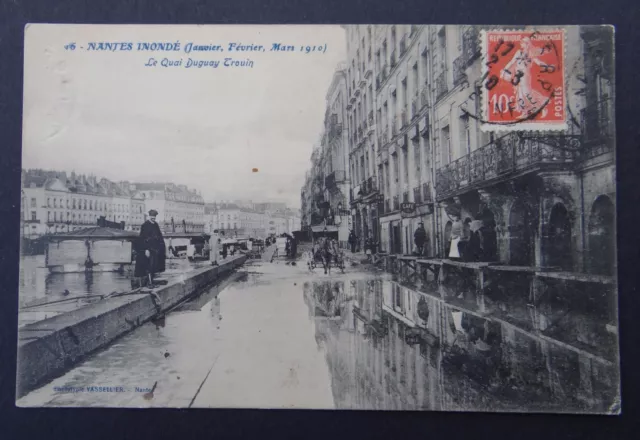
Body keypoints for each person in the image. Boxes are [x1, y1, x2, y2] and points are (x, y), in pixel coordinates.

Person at [134, 209, 166, 288]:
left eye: (154, 217)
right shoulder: (145, 225)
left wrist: (161, 247)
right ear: (149, 216)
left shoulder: (156, 225)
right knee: (149, 266)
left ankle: (151, 282)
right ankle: (149, 283)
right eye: (152, 216)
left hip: (155, 250)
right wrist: (146, 249)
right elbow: (142, 238)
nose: (153, 218)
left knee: (154, 266)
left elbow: (159, 237)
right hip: (148, 249)